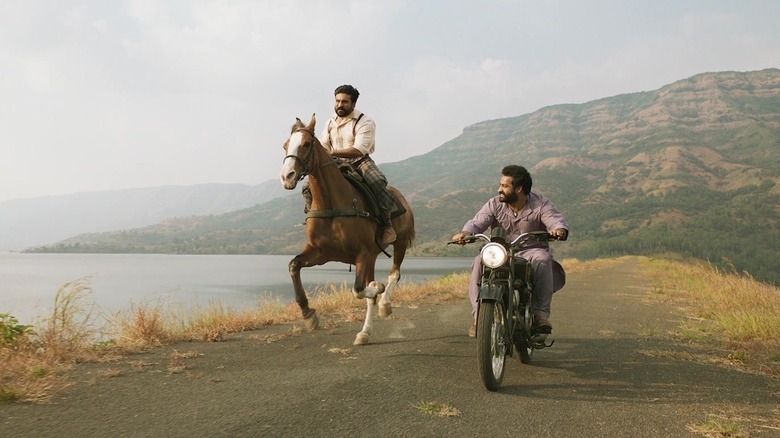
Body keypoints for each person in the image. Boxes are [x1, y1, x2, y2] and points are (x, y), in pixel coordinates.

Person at [451, 165, 569, 337]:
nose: (500, 189)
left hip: (531, 250)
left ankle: (539, 315)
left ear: (519, 189)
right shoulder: (494, 204)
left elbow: (555, 220)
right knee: (479, 261)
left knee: (543, 259)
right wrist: (466, 233)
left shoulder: (540, 204)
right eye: (500, 185)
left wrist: (558, 230)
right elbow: (477, 223)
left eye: (505, 186)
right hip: (501, 251)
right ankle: (478, 318)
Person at [301, 84, 397, 244]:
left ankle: (386, 224)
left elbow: (359, 149)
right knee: (306, 187)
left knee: (377, 181)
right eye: (337, 101)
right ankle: (314, 219)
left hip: (358, 160)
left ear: (353, 104)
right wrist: (324, 155)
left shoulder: (365, 122)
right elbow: (324, 145)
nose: (340, 105)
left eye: (345, 102)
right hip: (333, 163)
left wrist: (331, 154)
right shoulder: (330, 122)